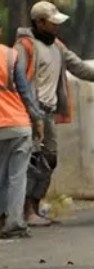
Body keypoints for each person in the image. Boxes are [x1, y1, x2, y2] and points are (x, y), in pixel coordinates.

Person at [14, 1, 94, 227]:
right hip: (32, 112)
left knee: (49, 159)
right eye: (52, 23)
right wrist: (31, 112)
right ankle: (26, 210)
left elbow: (77, 67)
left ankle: (34, 204)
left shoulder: (58, 47)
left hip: (49, 112)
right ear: (39, 22)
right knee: (33, 161)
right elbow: (19, 80)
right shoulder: (25, 47)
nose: (56, 27)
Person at [0, 27, 46, 239]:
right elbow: (26, 94)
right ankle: (15, 223)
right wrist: (37, 119)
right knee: (17, 176)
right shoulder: (10, 55)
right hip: (18, 123)